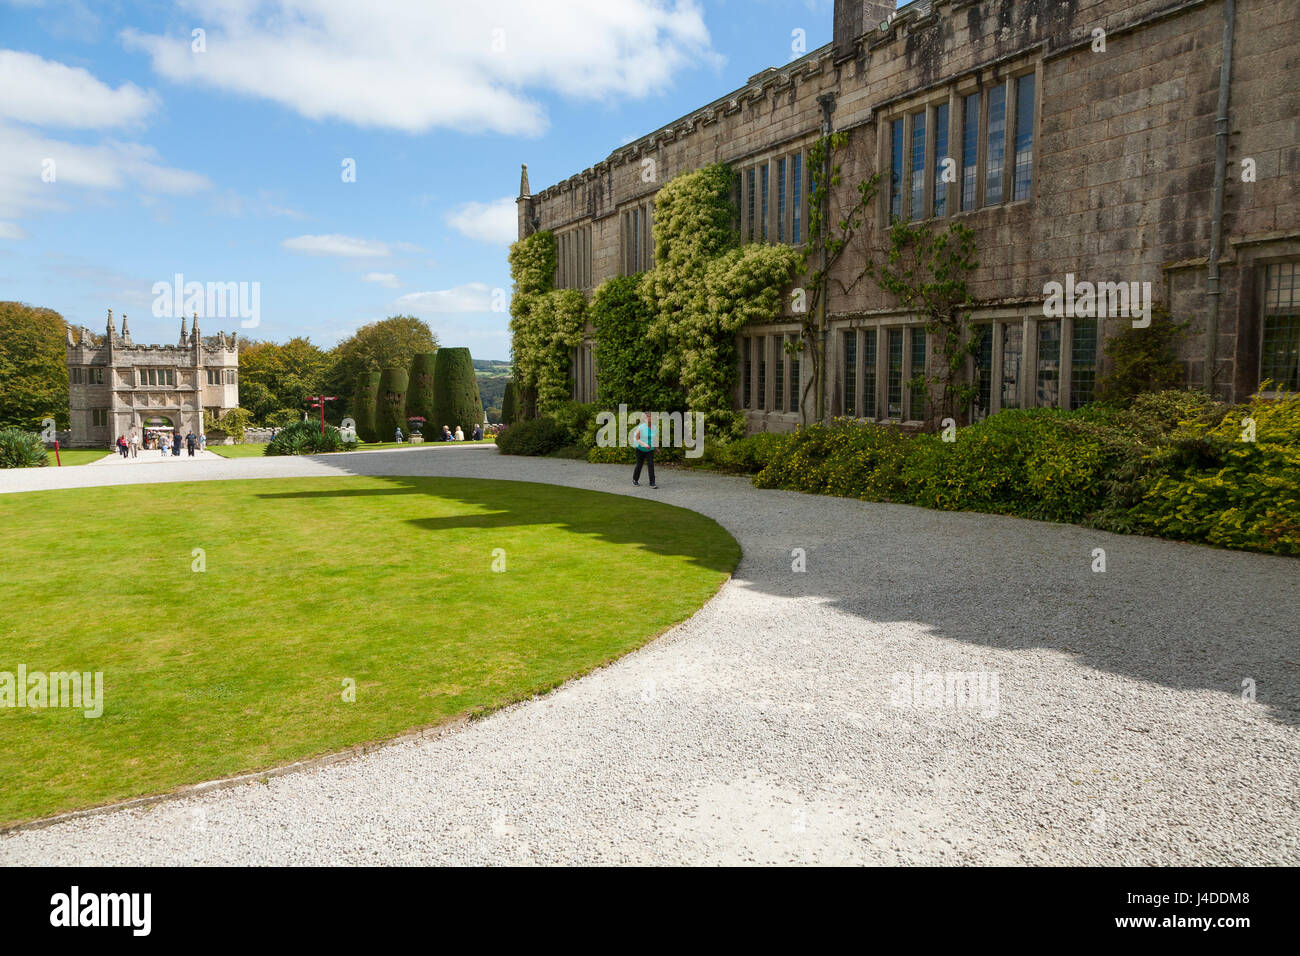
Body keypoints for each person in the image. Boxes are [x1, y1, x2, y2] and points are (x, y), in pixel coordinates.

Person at [632, 411, 657, 489]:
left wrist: (657, 448)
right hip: (640, 449)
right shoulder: (641, 427)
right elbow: (637, 438)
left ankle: (652, 483)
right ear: (645, 419)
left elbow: (654, 439)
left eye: (651, 417)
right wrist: (644, 445)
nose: (650, 418)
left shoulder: (654, 428)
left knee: (651, 464)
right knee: (639, 465)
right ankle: (635, 480)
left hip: (650, 449)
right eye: (648, 417)